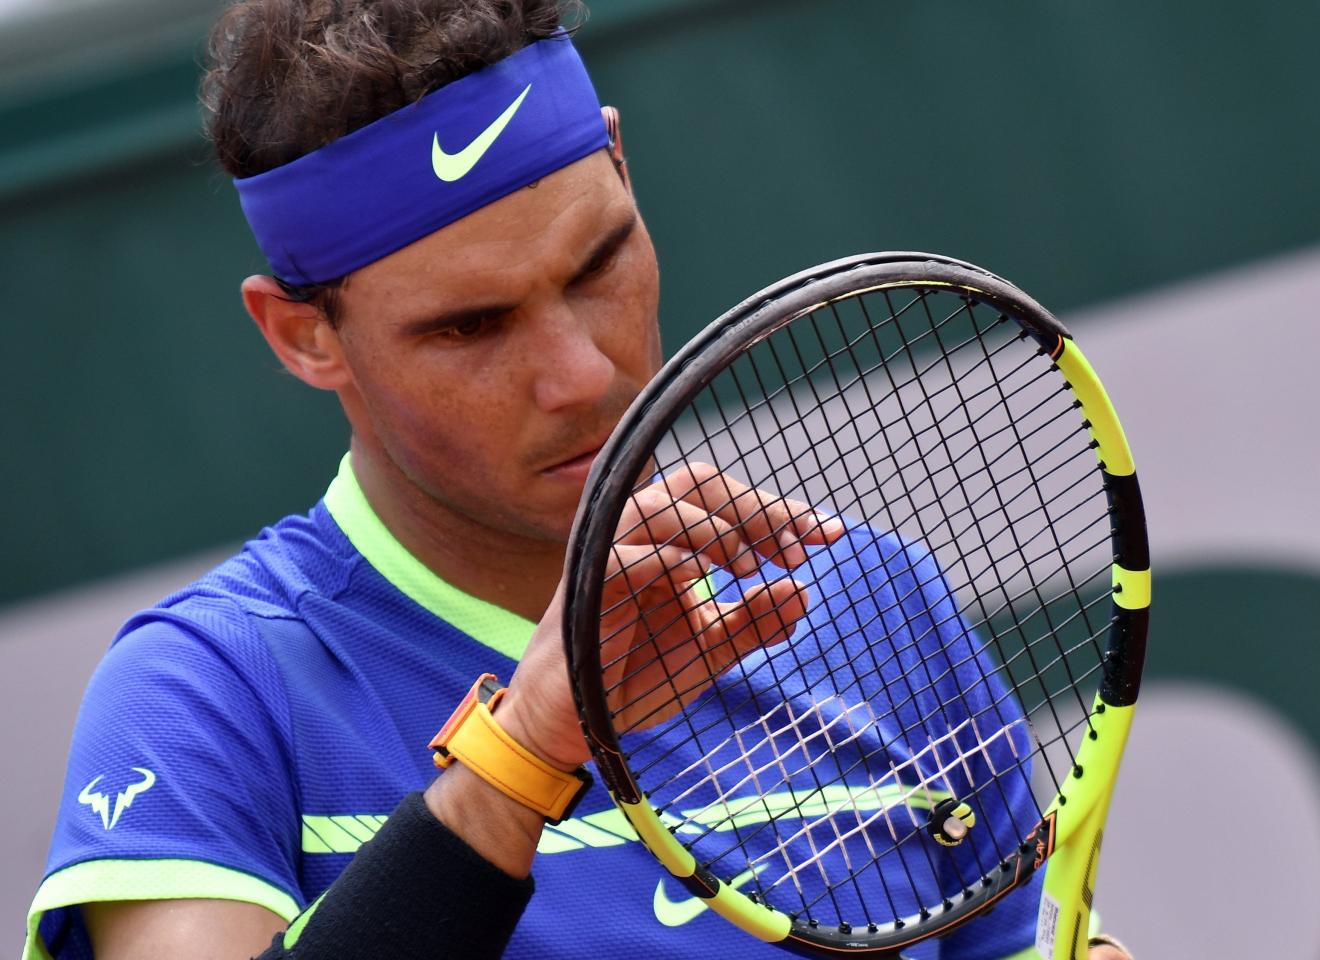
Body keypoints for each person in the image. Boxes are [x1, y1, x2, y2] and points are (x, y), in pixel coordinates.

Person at [21, 2, 1132, 959]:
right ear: (304, 335)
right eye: (470, 326)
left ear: (620, 165)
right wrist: (520, 754)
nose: (580, 374)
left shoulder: (878, 602)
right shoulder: (208, 699)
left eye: (596, 264)